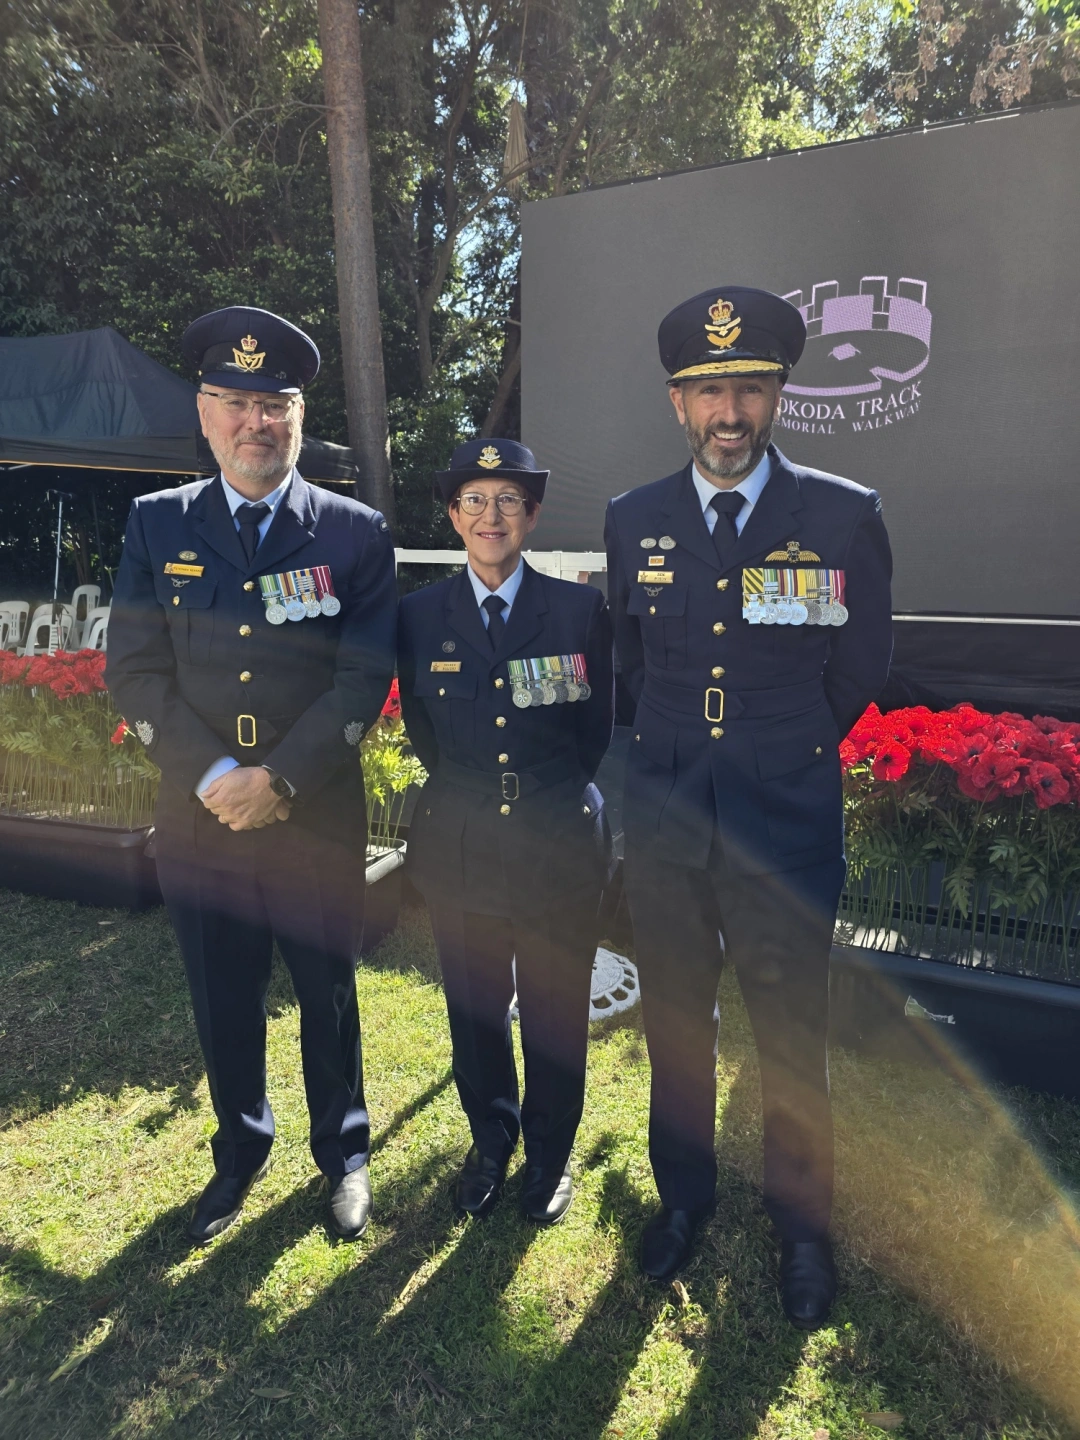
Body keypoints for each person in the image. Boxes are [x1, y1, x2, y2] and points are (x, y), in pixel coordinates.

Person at [604, 287, 892, 1327]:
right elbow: (631, 664)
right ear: (678, 402)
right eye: (710, 390)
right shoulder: (633, 519)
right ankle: (683, 1199)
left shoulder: (843, 514)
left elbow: (860, 668)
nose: (731, 411)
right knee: (675, 1024)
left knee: (790, 1033)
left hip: (785, 819)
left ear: (780, 396)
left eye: (751, 389)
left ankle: (802, 1228)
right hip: (673, 822)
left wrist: (781, 740)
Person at [106, 306, 396, 1244]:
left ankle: (344, 1153)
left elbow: (363, 674)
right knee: (221, 993)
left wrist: (281, 781)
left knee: (327, 991)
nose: (254, 422)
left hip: (313, 816)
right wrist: (220, 775)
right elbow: (135, 671)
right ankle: (239, 1150)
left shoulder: (354, 533)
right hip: (201, 819)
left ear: (298, 418)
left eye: (273, 404)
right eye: (234, 401)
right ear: (204, 414)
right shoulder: (158, 526)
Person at [398, 439, 614, 1224]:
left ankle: (551, 1156)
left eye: (510, 501)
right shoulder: (418, 617)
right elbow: (425, 727)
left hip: (556, 838)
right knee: (476, 1010)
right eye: (476, 501)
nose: (493, 517)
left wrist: (540, 790)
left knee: (556, 1011)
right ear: (454, 516)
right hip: (461, 840)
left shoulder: (579, 610)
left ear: (532, 516)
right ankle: (492, 1139)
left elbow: (596, 730)